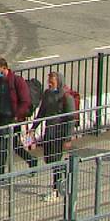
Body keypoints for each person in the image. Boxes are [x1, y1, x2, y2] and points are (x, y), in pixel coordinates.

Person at [35, 71, 76, 200]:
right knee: (49, 159)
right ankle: (60, 179)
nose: (49, 84)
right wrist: (33, 128)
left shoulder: (66, 97)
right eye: (49, 81)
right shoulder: (47, 94)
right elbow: (42, 112)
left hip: (59, 133)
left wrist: (68, 138)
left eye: (52, 81)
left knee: (55, 160)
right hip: (49, 132)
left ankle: (56, 189)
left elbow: (70, 118)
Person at [0, 58, 36, 175]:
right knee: (10, 144)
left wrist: (16, 116)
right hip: (1, 117)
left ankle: (0, 173)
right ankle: (31, 161)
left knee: (5, 145)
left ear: (4, 68)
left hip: (12, 118)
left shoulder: (17, 80)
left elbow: (25, 101)